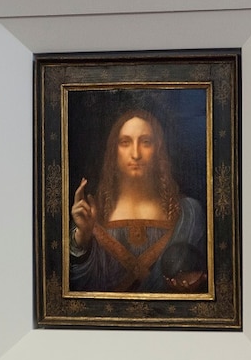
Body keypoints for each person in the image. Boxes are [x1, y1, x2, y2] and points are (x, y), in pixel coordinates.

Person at [69, 108, 207, 293]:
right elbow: (77, 286)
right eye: (125, 142)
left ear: (158, 150)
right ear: (113, 151)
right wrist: (82, 238)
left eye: (146, 142)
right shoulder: (91, 214)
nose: (136, 154)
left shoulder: (189, 213)